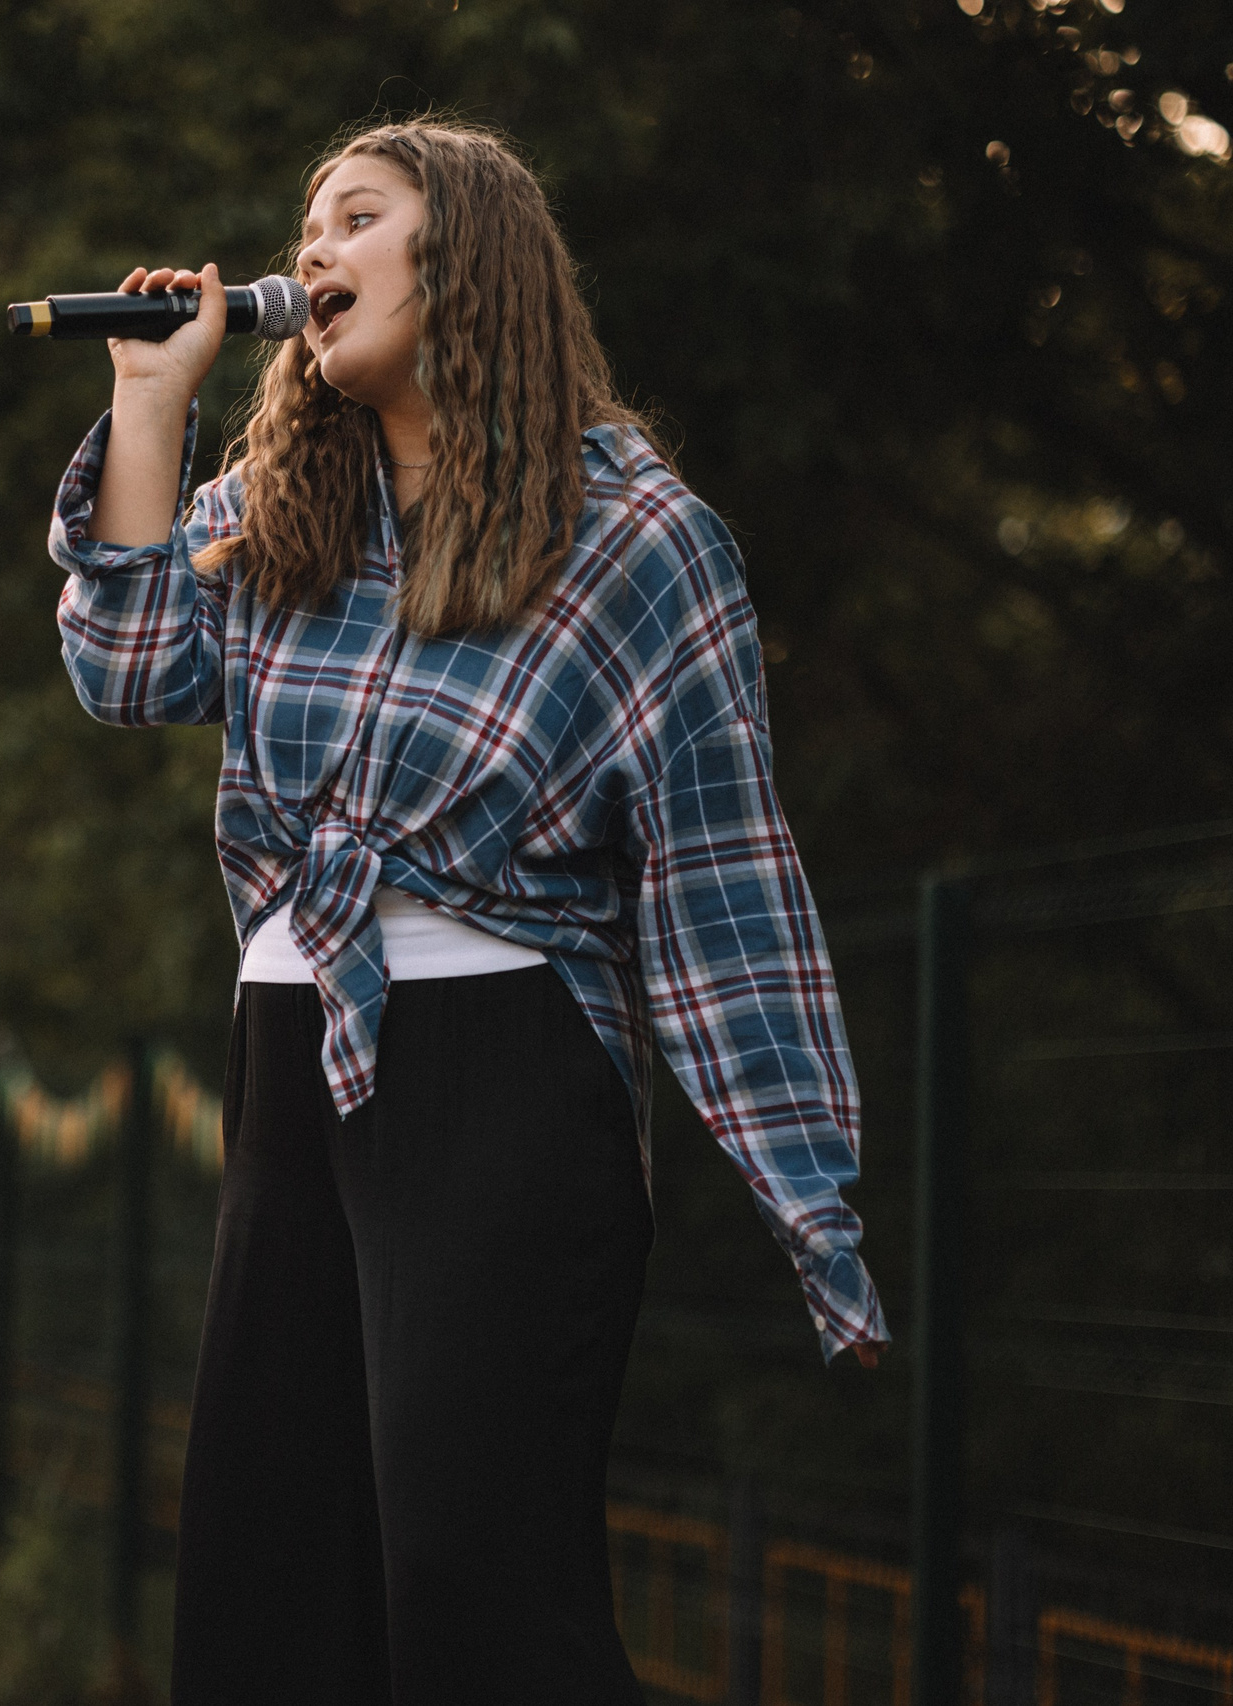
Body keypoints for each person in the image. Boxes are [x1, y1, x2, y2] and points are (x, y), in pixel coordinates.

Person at [48, 118, 887, 1702]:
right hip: (293, 1064)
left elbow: (723, 874)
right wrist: (151, 399)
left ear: (471, 261)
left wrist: (810, 1198)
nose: (311, 252)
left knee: (474, 1594)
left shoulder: (633, 539)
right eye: (305, 225)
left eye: (355, 217)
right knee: (263, 1586)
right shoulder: (289, 501)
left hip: (501, 1070)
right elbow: (129, 666)